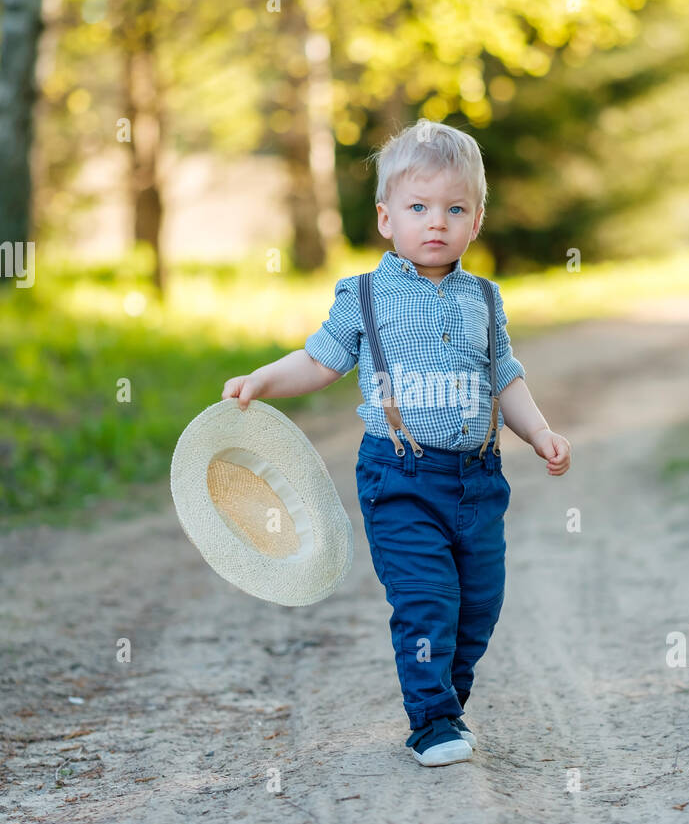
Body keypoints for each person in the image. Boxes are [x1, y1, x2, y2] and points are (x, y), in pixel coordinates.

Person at [222, 120, 571, 766]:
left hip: (479, 481)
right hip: (401, 480)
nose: (435, 222)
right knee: (426, 601)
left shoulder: (485, 300)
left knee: (479, 607)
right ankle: (431, 722)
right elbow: (321, 361)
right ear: (386, 218)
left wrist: (540, 430)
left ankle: (449, 703)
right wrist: (264, 381)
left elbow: (505, 378)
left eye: (454, 209)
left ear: (477, 218)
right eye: (418, 207)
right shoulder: (365, 295)